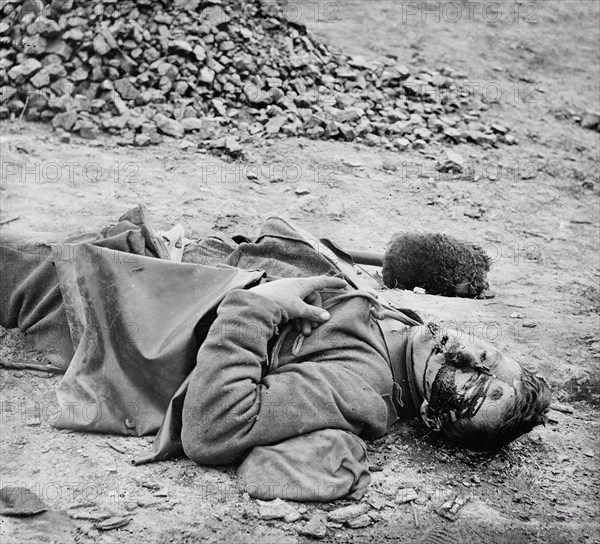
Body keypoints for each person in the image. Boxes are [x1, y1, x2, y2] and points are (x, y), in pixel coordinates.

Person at [0, 205, 551, 502]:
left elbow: (213, 430)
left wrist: (255, 306)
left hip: (120, 312)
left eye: (478, 387)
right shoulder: (402, 330)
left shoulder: (360, 384)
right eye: (493, 356)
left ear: (434, 417)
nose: (473, 356)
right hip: (165, 271)